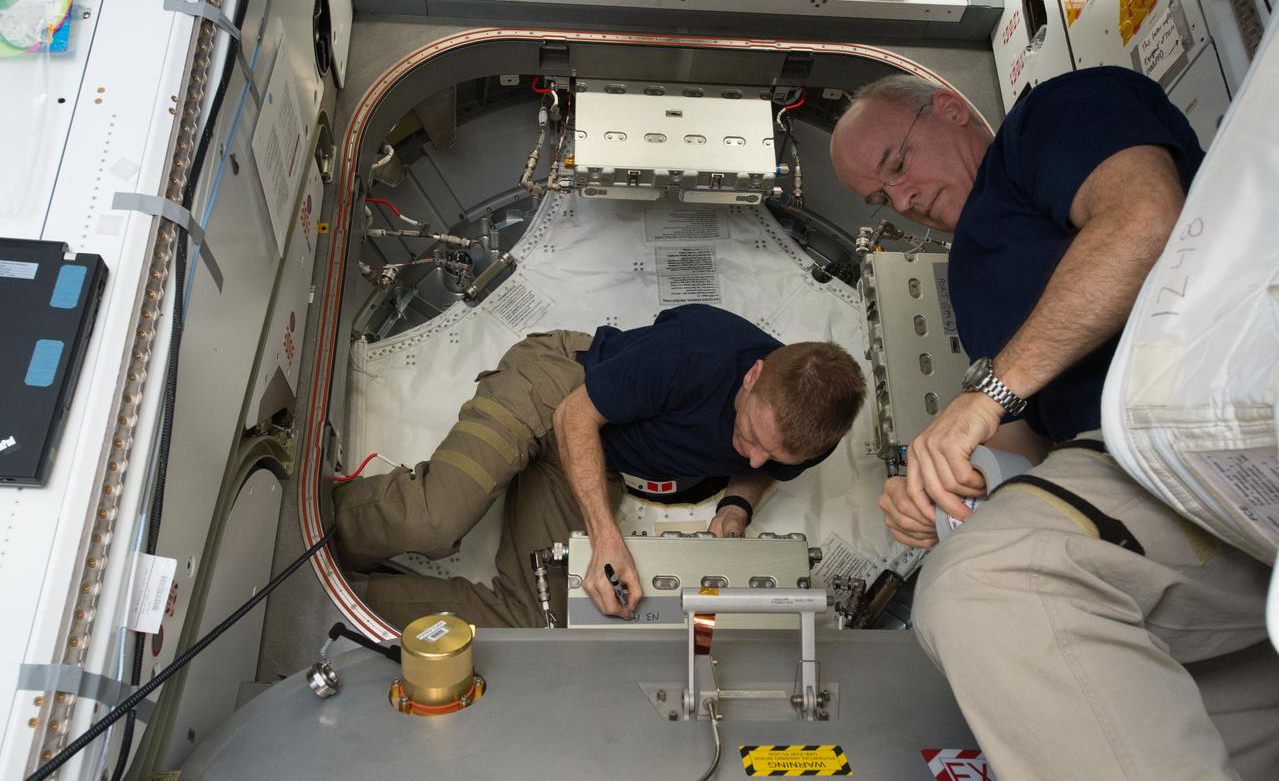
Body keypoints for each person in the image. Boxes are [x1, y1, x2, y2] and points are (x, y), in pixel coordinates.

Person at [830, 69, 1279, 779]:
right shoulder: (971, 278)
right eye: (881, 199)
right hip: (1141, 484)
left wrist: (983, 393)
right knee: (1129, 709)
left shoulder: (1050, 117)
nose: (904, 199)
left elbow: (1143, 217)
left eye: (896, 166)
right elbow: (1024, 443)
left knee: (984, 582)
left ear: (946, 109)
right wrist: (944, 488)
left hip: (1186, 411)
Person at [332, 303, 864, 629]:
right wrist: (605, 536)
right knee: (436, 519)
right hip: (556, 392)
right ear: (752, 376)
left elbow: (761, 467)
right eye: (749, 435)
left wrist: (735, 505)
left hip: (595, 459)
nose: (751, 457)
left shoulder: (810, 433)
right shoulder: (692, 354)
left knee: (540, 614)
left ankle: (341, 606)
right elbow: (574, 415)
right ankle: (310, 536)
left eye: (774, 454)